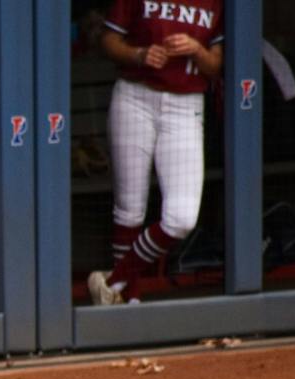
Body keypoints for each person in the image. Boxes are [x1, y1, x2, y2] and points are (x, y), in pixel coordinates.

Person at [87, 0, 223, 306]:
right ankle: (129, 300)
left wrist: (196, 50)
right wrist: (140, 54)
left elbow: (216, 64)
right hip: (136, 96)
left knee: (181, 218)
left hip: (186, 105)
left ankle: (112, 282)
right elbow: (109, 40)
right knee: (130, 208)